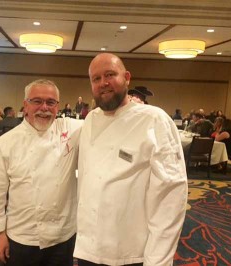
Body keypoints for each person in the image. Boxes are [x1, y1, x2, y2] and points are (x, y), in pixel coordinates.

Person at [74, 53, 188, 266]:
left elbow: (171, 196)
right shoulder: (90, 119)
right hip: (89, 249)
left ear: (126, 77)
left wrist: (158, 261)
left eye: (110, 75)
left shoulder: (154, 119)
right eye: (96, 79)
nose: (103, 83)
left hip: (130, 251)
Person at [0, 79, 83, 265]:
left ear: (57, 106)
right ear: (25, 105)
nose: (44, 107)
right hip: (21, 236)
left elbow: (102, 120)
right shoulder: (6, 142)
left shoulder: (69, 130)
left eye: (50, 102)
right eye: (37, 101)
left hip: (63, 236)